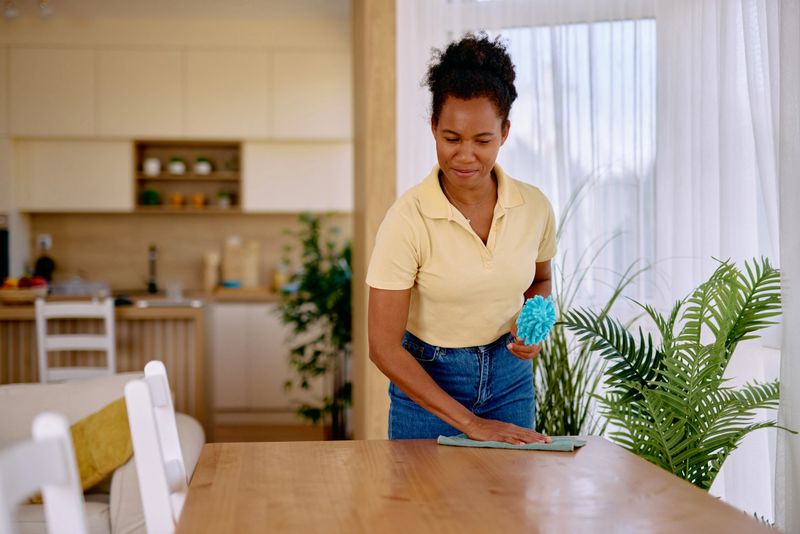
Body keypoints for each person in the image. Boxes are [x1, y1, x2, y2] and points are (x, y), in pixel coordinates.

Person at [366, 33, 557, 445]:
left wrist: (532, 329)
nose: (465, 156)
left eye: (483, 140)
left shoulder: (535, 207)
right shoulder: (407, 220)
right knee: (424, 507)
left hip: (510, 381)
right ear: (434, 127)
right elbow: (383, 347)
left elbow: (539, 282)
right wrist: (472, 424)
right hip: (428, 385)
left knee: (508, 507)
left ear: (504, 132)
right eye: (451, 138)